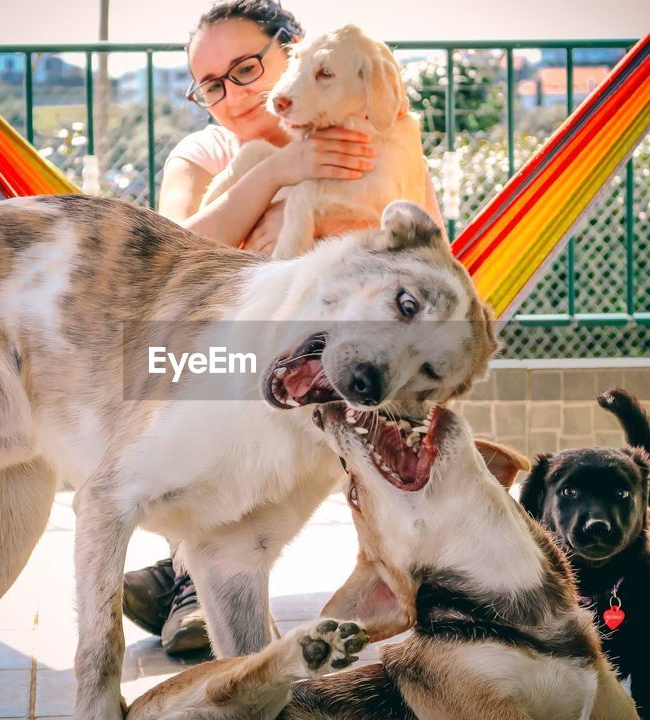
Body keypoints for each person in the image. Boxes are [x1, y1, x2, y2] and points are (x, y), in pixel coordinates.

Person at [124, 0, 442, 657]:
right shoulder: (203, 153)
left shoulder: (362, 136)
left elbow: (424, 248)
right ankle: (190, 577)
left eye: (246, 69)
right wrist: (277, 171)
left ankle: (187, 572)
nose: (232, 97)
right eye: (210, 85)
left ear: (293, 52)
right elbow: (168, 256)